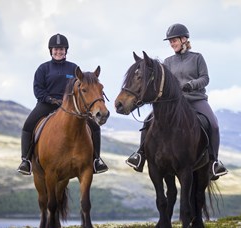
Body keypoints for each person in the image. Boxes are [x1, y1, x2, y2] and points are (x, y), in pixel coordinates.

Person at [126, 24, 228, 180]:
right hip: (174, 103)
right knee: (148, 121)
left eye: (174, 40)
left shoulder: (197, 58)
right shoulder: (168, 61)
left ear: (184, 39)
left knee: (213, 124)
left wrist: (191, 85)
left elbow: (205, 78)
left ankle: (214, 162)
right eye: (170, 42)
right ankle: (140, 155)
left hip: (195, 99)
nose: (172, 44)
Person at [17, 33, 108, 175]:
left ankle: (96, 159)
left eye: (61, 49)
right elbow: (38, 89)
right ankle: (26, 160)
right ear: (51, 50)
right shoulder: (43, 69)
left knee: (95, 127)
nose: (58, 51)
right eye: (55, 49)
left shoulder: (74, 69)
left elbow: (82, 86)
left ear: (66, 51)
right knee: (28, 125)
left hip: (71, 107)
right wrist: (50, 99)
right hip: (47, 104)